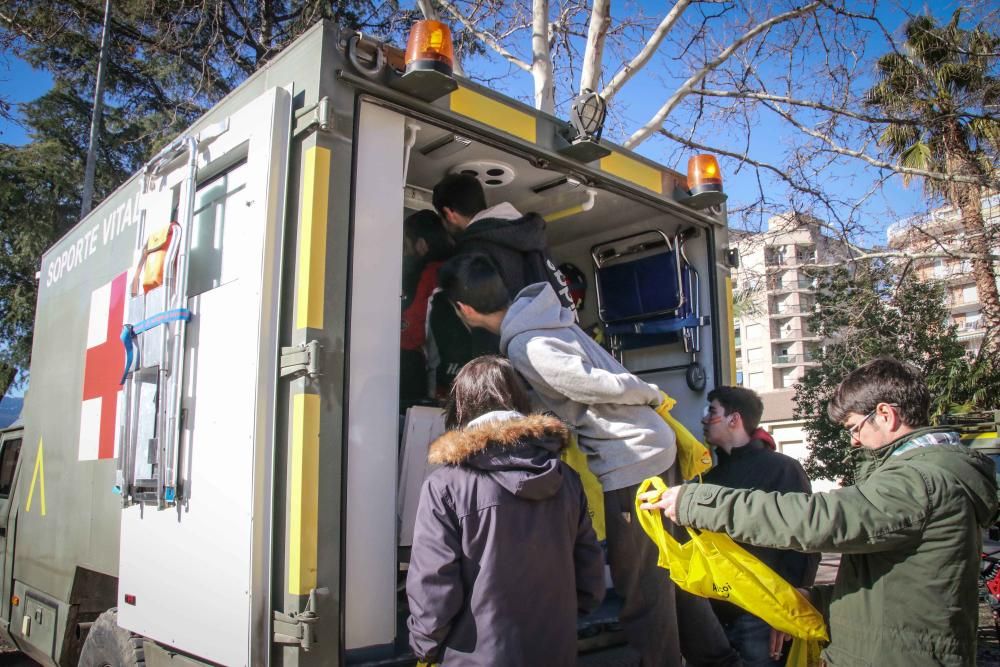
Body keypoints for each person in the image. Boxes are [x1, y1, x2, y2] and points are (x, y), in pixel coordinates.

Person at [437, 253, 741, 667]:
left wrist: (648, 393)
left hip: (632, 459)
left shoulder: (527, 343)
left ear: (464, 309)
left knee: (642, 590)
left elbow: (589, 384)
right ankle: (718, 658)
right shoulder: (542, 322)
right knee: (671, 570)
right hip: (647, 450)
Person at [641, 358, 998, 667]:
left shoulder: (922, 480)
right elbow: (885, 588)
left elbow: (818, 521)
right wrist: (813, 601)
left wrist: (696, 502)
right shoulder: (924, 476)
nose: (855, 440)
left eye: (854, 428)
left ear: (885, 415)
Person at [406, 355, 605, 666]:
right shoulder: (566, 478)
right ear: (519, 399)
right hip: (555, 649)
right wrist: (566, 617)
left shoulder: (445, 485)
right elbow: (589, 567)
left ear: (461, 406)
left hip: (472, 655)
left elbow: (433, 582)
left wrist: (425, 645)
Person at [699, 386, 819, 666]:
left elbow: (805, 541)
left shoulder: (782, 469)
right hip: (715, 615)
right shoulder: (708, 478)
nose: (704, 420)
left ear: (734, 419)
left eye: (712, 412)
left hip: (762, 615)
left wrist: (788, 608)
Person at [432, 173, 572, 308]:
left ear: (449, 214)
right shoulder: (532, 235)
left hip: (516, 331)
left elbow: (480, 312)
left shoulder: (473, 248)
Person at [400, 210, 453, 402]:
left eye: (406, 246)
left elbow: (412, 333)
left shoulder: (427, 274)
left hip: (434, 380)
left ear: (421, 244)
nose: (404, 253)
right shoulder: (459, 265)